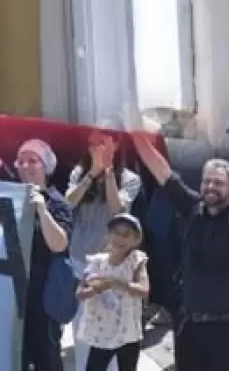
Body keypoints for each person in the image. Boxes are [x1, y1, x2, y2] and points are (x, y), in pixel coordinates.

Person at [0, 121, 72, 371]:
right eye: (21, 160)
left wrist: (41, 209)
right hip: (10, 298)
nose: (27, 166)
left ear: (46, 167)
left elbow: (59, 244)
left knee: (47, 361)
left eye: (33, 160)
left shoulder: (57, 202)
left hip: (43, 302)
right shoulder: (11, 190)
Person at [132, 132, 229, 371]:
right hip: (189, 327)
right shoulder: (192, 208)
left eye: (218, 182)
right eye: (207, 181)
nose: (211, 187)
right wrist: (135, 132)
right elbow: (162, 171)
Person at [65, 130, 142, 370]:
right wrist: (91, 174)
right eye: (91, 145)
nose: (95, 150)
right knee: (83, 330)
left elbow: (118, 210)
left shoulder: (130, 178)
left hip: (113, 266)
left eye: (102, 144)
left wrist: (108, 173)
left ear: (115, 146)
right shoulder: (79, 172)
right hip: (80, 261)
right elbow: (68, 202)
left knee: (110, 332)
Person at [75, 213, 149, 371]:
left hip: (128, 334)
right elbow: (80, 293)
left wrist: (115, 283)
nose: (120, 239)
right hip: (102, 333)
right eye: (116, 233)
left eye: (126, 235)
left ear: (136, 240)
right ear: (108, 235)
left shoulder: (137, 261)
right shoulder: (97, 262)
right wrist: (97, 288)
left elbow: (144, 290)